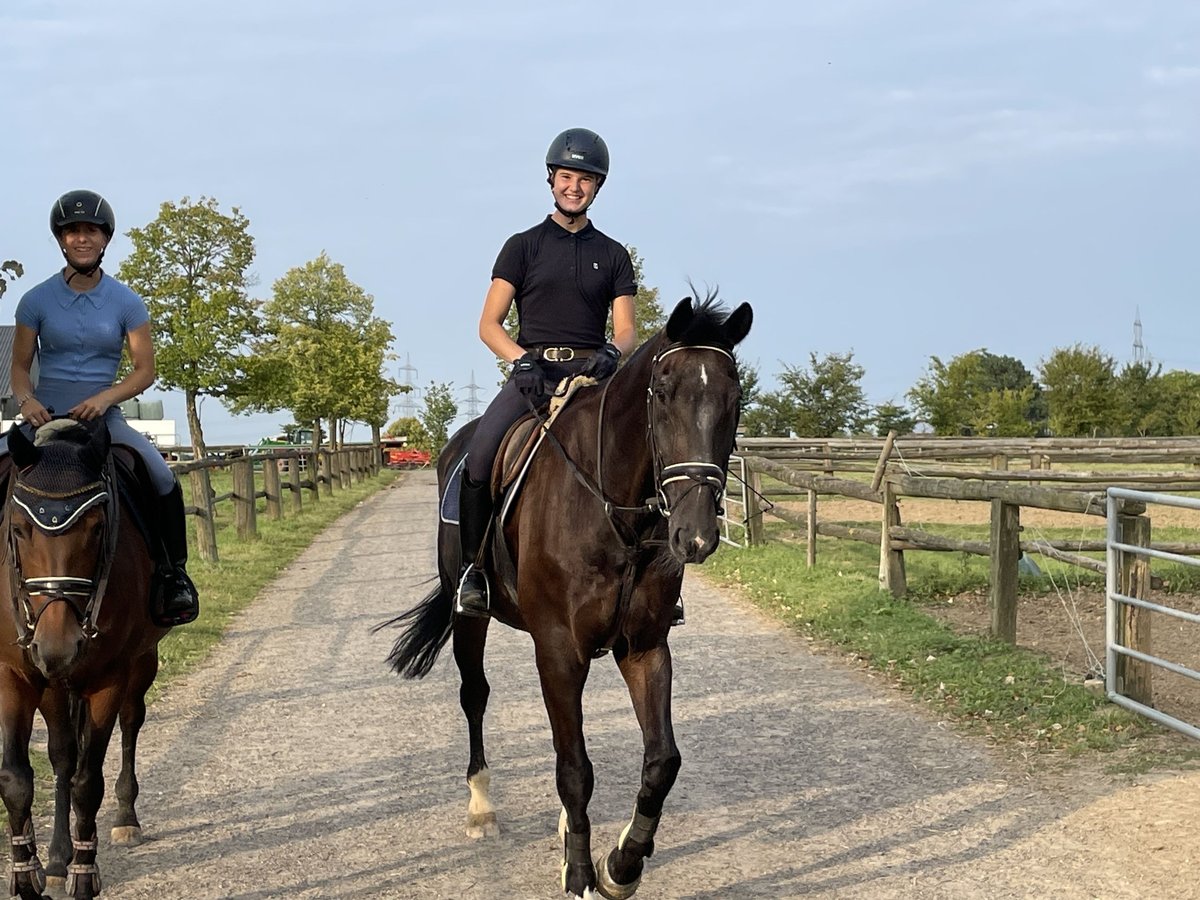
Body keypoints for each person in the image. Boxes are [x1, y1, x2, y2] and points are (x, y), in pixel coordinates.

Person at [455, 128, 637, 618]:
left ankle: (656, 580)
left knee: (647, 457)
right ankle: (473, 573)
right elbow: (488, 324)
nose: (573, 187)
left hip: (592, 377)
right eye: (566, 176)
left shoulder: (615, 255)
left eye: (585, 180)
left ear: (597, 187)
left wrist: (612, 355)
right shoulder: (522, 247)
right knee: (479, 457)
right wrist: (520, 360)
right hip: (533, 373)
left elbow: (626, 330)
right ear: (552, 179)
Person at [7, 189, 199, 627]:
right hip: (42, 416)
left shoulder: (127, 303)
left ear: (105, 238)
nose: (81, 238)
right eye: (73, 231)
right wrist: (27, 399)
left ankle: (172, 576)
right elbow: (19, 367)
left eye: (90, 230)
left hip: (103, 419)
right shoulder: (34, 301)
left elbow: (144, 370)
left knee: (160, 474)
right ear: (61, 239)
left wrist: (105, 398)